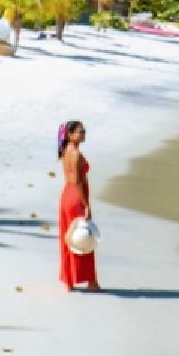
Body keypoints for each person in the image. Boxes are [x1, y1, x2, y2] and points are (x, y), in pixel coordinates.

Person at [58, 120, 101, 292]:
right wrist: (86, 205)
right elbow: (77, 181)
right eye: (80, 131)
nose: (84, 134)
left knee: (69, 238)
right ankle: (91, 282)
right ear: (70, 134)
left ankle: (69, 281)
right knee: (85, 237)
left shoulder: (65, 151)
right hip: (76, 197)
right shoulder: (75, 153)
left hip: (66, 195)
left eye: (84, 131)